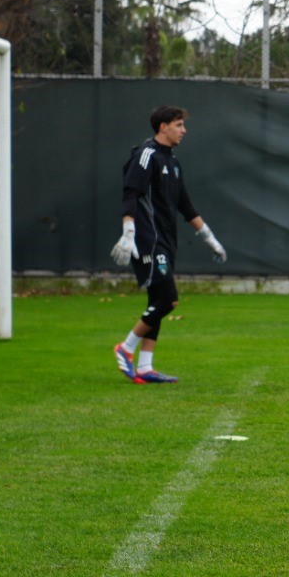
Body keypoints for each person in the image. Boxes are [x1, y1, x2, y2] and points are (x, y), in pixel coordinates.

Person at [109, 105, 227, 384]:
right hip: (149, 241)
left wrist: (210, 238)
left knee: (156, 302)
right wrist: (128, 232)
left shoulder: (172, 162)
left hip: (167, 241)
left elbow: (185, 206)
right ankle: (125, 348)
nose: (184, 130)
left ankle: (145, 367)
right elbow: (131, 193)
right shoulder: (146, 154)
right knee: (168, 300)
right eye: (178, 125)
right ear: (163, 127)